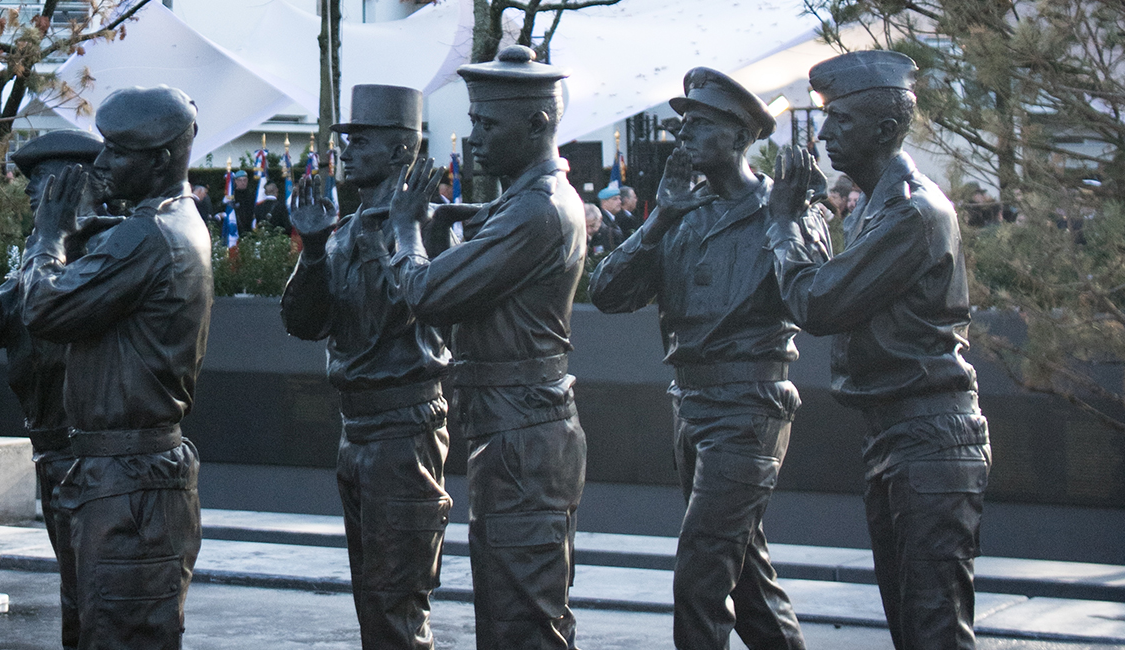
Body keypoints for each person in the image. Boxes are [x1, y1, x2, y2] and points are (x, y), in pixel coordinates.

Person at [767, 51, 990, 650]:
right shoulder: (877, 207)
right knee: (913, 628)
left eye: (840, 121)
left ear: (887, 130)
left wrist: (786, 222)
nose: (824, 135)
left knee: (933, 632)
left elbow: (819, 305)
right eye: (825, 119)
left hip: (929, 440)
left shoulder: (911, 212)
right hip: (899, 439)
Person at [587, 67, 815, 650]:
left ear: (739, 136)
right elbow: (608, 294)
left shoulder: (783, 207)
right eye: (681, 124)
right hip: (690, 404)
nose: (681, 135)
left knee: (700, 579)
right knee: (746, 579)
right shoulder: (679, 214)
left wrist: (790, 220)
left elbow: (814, 300)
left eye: (698, 124)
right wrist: (658, 218)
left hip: (749, 407)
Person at [386, 45, 587, 650]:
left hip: (523, 435)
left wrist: (405, 225)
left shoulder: (537, 210)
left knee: (523, 620)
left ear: (538, 123)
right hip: (513, 429)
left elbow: (423, 291)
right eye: (473, 121)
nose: (473, 137)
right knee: (511, 610)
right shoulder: (525, 202)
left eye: (488, 124)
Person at [18, 85, 212, 650]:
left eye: (118, 151)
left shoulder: (146, 236)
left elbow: (42, 308)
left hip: (129, 486)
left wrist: (49, 237)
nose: (100, 163)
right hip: (127, 479)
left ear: (160, 161)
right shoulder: (163, 223)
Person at [281, 84, 453, 650]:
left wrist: (395, 231)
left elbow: (410, 306)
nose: (346, 150)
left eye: (361, 140)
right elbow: (306, 322)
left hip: (405, 432)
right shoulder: (348, 229)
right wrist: (311, 250)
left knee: (397, 607)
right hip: (358, 431)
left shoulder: (427, 226)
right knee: (373, 605)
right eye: (345, 140)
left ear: (402, 151)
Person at [0, 129, 111, 650]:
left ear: (77, 188)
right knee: (74, 590)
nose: (28, 196)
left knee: (97, 595)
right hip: (50, 453)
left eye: (41, 184)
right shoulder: (36, 261)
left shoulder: (105, 255)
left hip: (90, 454)